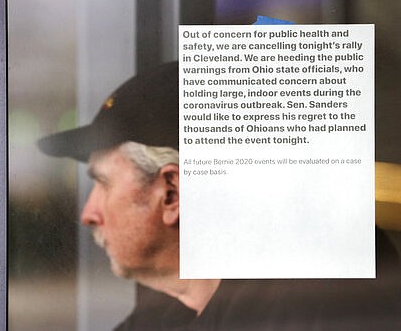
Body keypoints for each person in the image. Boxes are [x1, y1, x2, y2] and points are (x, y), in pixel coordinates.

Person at [38, 62, 401, 330]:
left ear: (172, 193)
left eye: (103, 183)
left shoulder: (326, 300)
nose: (89, 213)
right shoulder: (166, 314)